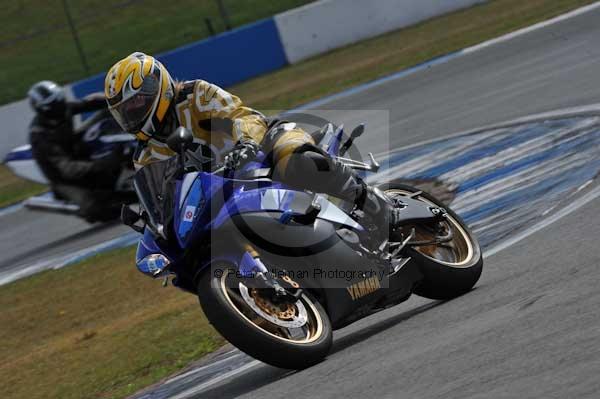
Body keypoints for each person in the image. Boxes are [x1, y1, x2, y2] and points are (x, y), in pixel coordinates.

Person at [104, 52, 401, 231]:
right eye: (124, 112)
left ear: (159, 87)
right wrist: (155, 224)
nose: (133, 115)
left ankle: (369, 200)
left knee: (294, 159)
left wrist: (245, 143)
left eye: (136, 104)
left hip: (261, 150)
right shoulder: (145, 156)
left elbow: (238, 115)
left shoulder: (194, 96)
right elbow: (163, 198)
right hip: (222, 193)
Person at [28, 80, 124, 222]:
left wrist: (114, 99)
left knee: (105, 114)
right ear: (45, 108)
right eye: (56, 101)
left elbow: (87, 103)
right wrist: (102, 164)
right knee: (94, 208)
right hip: (63, 178)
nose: (62, 102)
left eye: (61, 97)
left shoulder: (63, 109)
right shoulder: (40, 136)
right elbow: (67, 169)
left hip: (76, 149)